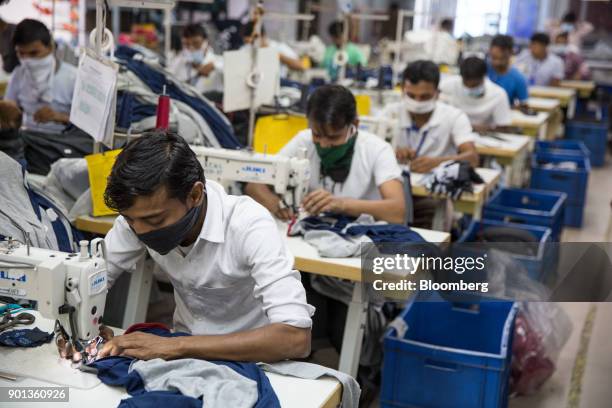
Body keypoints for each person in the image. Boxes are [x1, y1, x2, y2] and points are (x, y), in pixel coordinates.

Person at [97, 131, 314, 362]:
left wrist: (177, 346)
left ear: (195, 194)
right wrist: (80, 325)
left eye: (155, 221)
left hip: (254, 358)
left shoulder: (248, 225)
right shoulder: (140, 217)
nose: (140, 231)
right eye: (130, 220)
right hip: (183, 354)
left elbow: (296, 338)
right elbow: (93, 277)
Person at [245, 85, 405, 225]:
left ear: (354, 125)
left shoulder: (377, 150)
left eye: (333, 137)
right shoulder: (303, 141)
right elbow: (254, 185)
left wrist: (341, 204)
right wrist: (276, 205)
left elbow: (397, 211)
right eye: (317, 135)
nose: (323, 144)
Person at [380, 60, 478, 173]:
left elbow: (472, 158)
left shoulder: (454, 117)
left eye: (425, 97)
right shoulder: (390, 112)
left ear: (437, 93)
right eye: (411, 96)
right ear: (402, 90)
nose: (417, 102)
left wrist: (438, 162)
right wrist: (392, 151)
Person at [0, 19, 76, 134]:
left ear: (50, 47)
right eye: (21, 53)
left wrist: (60, 117)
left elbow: (89, 124)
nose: (27, 60)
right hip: (27, 139)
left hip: (63, 142)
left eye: (34, 53)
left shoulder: (73, 78)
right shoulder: (18, 74)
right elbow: (9, 109)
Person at [439, 56, 512, 133]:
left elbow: (503, 127)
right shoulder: (448, 85)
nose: (470, 88)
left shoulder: (498, 94)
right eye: (466, 85)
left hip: (484, 137)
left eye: (474, 85)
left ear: (484, 77)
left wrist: (476, 128)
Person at [168, 24, 223, 96]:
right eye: (187, 44)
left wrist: (214, 66)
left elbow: (231, 70)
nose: (191, 48)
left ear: (206, 42)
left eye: (196, 43)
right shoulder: (177, 62)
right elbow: (168, 80)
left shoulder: (219, 61)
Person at [241, 21, 305, 78]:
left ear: (263, 36)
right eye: (247, 42)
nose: (251, 45)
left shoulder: (278, 47)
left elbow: (300, 66)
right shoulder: (245, 49)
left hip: (277, 85)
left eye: (253, 42)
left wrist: (275, 55)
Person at [487, 34, 529, 107]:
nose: (496, 61)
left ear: (510, 53)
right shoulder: (482, 70)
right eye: (493, 58)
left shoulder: (517, 78)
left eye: (500, 57)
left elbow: (524, 105)